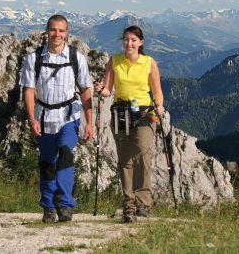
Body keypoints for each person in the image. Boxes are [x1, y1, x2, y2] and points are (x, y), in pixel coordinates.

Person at [19, 14, 93, 223]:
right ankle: (49, 207)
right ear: (47, 31)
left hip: (69, 116)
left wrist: (89, 122)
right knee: (47, 163)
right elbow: (29, 90)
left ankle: (65, 204)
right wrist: (32, 118)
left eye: (61, 30)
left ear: (66, 33)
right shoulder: (35, 59)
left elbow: (86, 90)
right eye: (53, 30)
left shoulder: (75, 57)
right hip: (43, 117)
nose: (57, 34)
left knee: (66, 156)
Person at [94, 25, 164, 223]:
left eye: (133, 40)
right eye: (126, 39)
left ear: (140, 42)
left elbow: (157, 90)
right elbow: (108, 90)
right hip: (121, 112)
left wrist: (159, 105)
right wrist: (101, 89)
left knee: (142, 151)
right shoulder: (114, 61)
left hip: (144, 113)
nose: (129, 43)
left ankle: (143, 202)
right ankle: (129, 206)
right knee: (124, 159)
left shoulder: (149, 63)